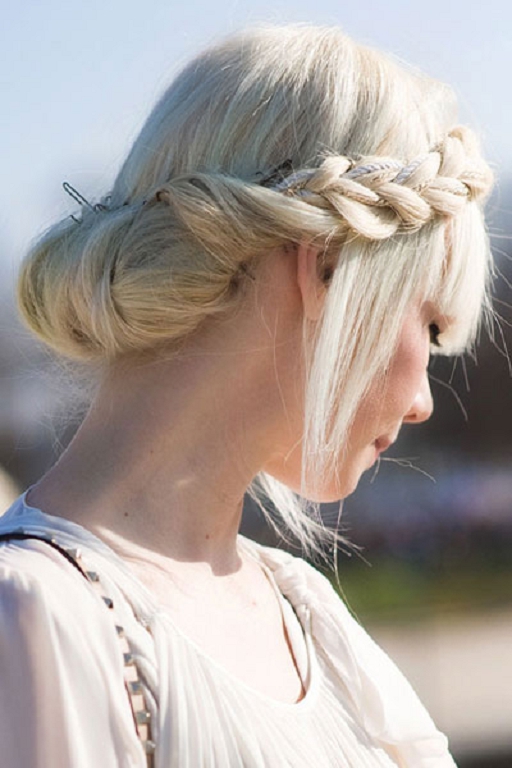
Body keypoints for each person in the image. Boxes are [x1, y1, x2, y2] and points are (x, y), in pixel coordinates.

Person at [0, 24, 492, 768]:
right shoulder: (36, 625)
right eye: (427, 323)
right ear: (324, 266)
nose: (424, 399)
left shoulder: (307, 616)